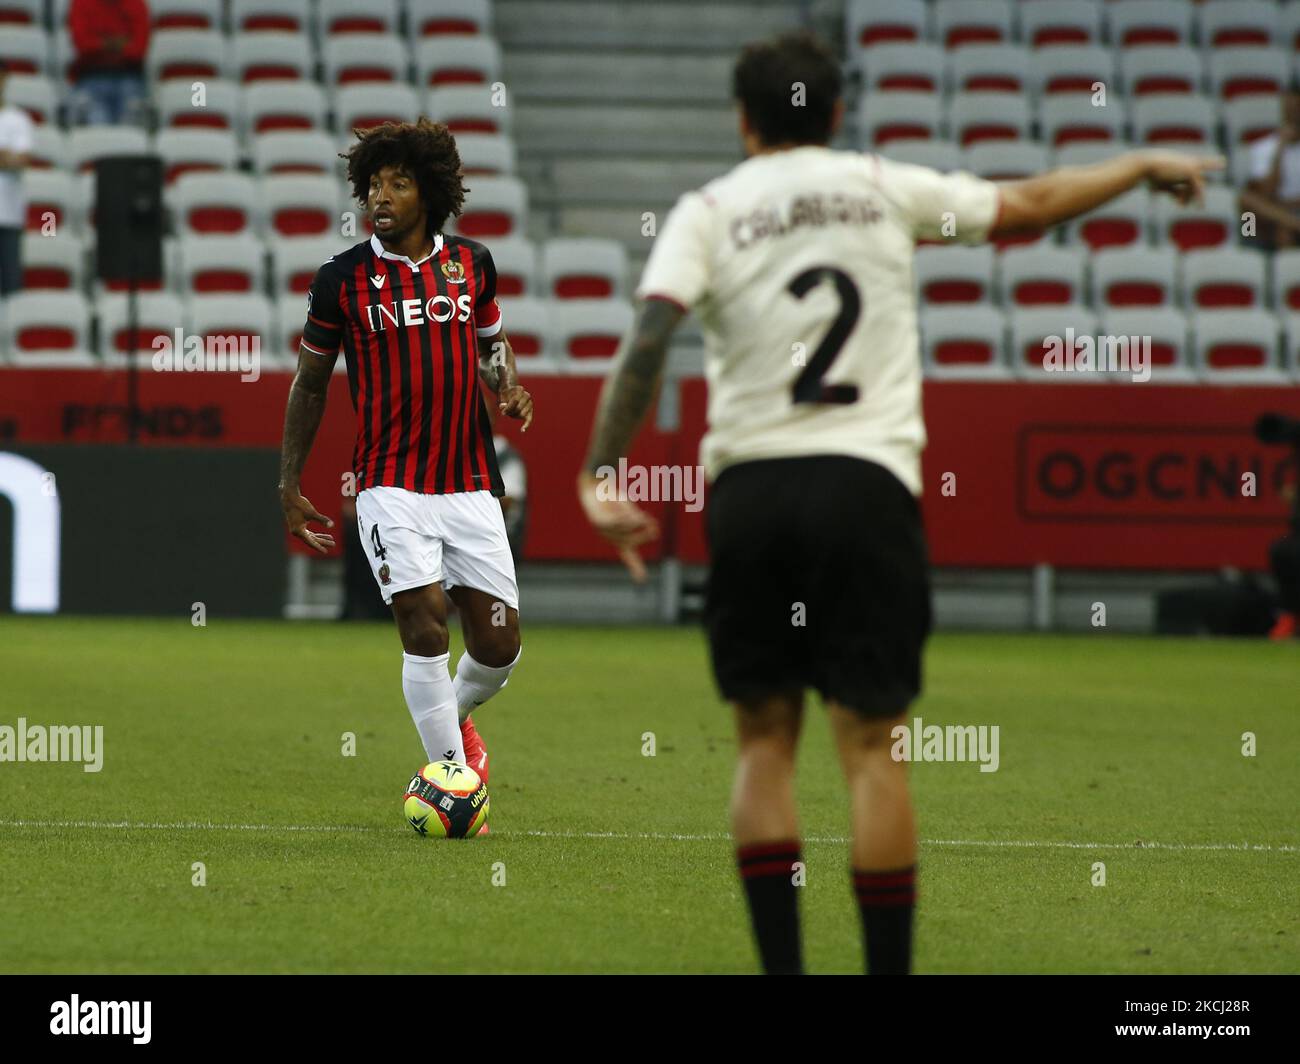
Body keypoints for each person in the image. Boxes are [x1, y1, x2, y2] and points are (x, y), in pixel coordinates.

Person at [577, 30, 1221, 974]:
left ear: (743, 118)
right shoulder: (884, 186)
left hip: (752, 487)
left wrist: (599, 471)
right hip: (866, 485)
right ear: (837, 114)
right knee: (873, 747)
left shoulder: (707, 210)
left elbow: (649, 336)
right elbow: (1031, 205)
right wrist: (1136, 163)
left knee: (762, 741)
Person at [278, 118, 533, 791]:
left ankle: (457, 716)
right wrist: (289, 481)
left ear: (431, 193)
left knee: (500, 646)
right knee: (423, 624)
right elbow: (309, 384)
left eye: (398, 183)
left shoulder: (471, 264)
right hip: (390, 483)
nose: (380, 198)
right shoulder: (342, 281)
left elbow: (491, 344)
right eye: (373, 186)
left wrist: (507, 382)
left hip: (470, 484)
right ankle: (449, 777)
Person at [68, 0, 150, 126]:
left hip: (129, 77)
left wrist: (100, 43)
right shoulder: (81, 3)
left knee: (131, 128)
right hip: (91, 77)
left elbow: (138, 49)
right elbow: (82, 45)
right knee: (97, 125)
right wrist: (119, 43)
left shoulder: (136, 3)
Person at [1241, 84, 1300, 249]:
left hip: (1290, 207)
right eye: (1289, 108)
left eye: (1297, 109)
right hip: (1272, 214)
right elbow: (1265, 194)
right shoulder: (1263, 148)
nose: (1294, 114)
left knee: (1283, 227)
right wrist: (1281, 149)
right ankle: (1294, 224)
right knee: (1247, 203)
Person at [0, 61, 32, 296]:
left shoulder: (18, 120)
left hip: (8, 217)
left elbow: (21, 160)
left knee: (11, 294)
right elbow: (10, 159)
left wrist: (11, 159)